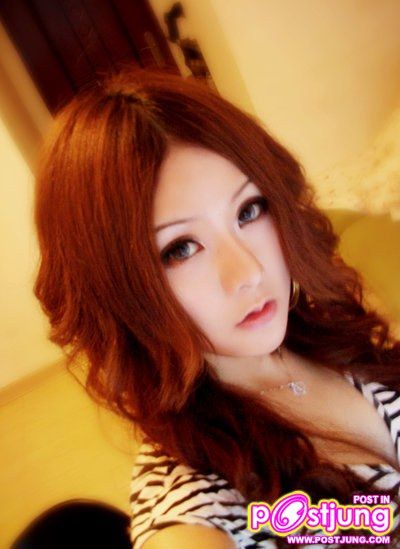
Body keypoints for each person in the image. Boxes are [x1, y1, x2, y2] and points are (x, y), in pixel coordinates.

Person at [33, 67, 400, 548]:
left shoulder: (322, 330)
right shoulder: (194, 497)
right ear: (119, 290)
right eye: (181, 248)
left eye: (248, 210)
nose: (248, 271)